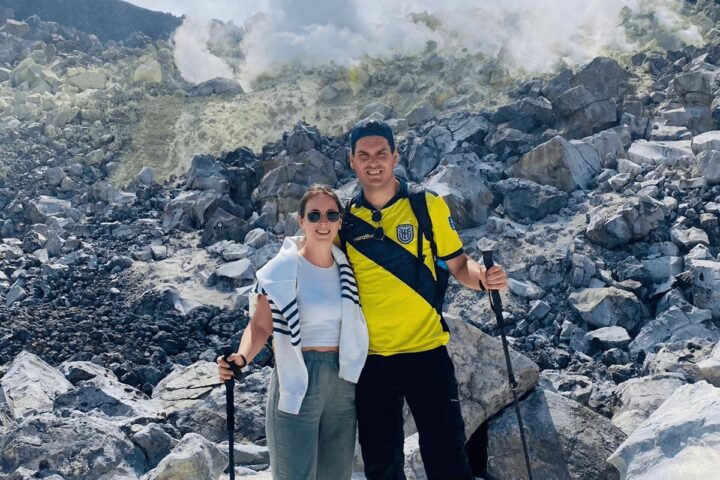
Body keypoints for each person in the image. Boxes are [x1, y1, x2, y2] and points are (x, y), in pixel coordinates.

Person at [339, 119, 509, 480]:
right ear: (352, 161)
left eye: (381, 153)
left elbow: (460, 265)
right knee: (382, 468)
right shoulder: (343, 221)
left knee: (448, 462)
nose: (373, 162)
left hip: (426, 352)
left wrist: (485, 279)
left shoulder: (425, 206)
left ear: (395, 156)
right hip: (371, 363)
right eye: (364, 155)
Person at [217, 185, 369, 480]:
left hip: (343, 382)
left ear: (340, 221)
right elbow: (260, 325)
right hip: (297, 377)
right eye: (314, 215)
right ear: (300, 221)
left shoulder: (350, 268)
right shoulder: (281, 270)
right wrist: (241, 358)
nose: (323, 222)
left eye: (330, 215)